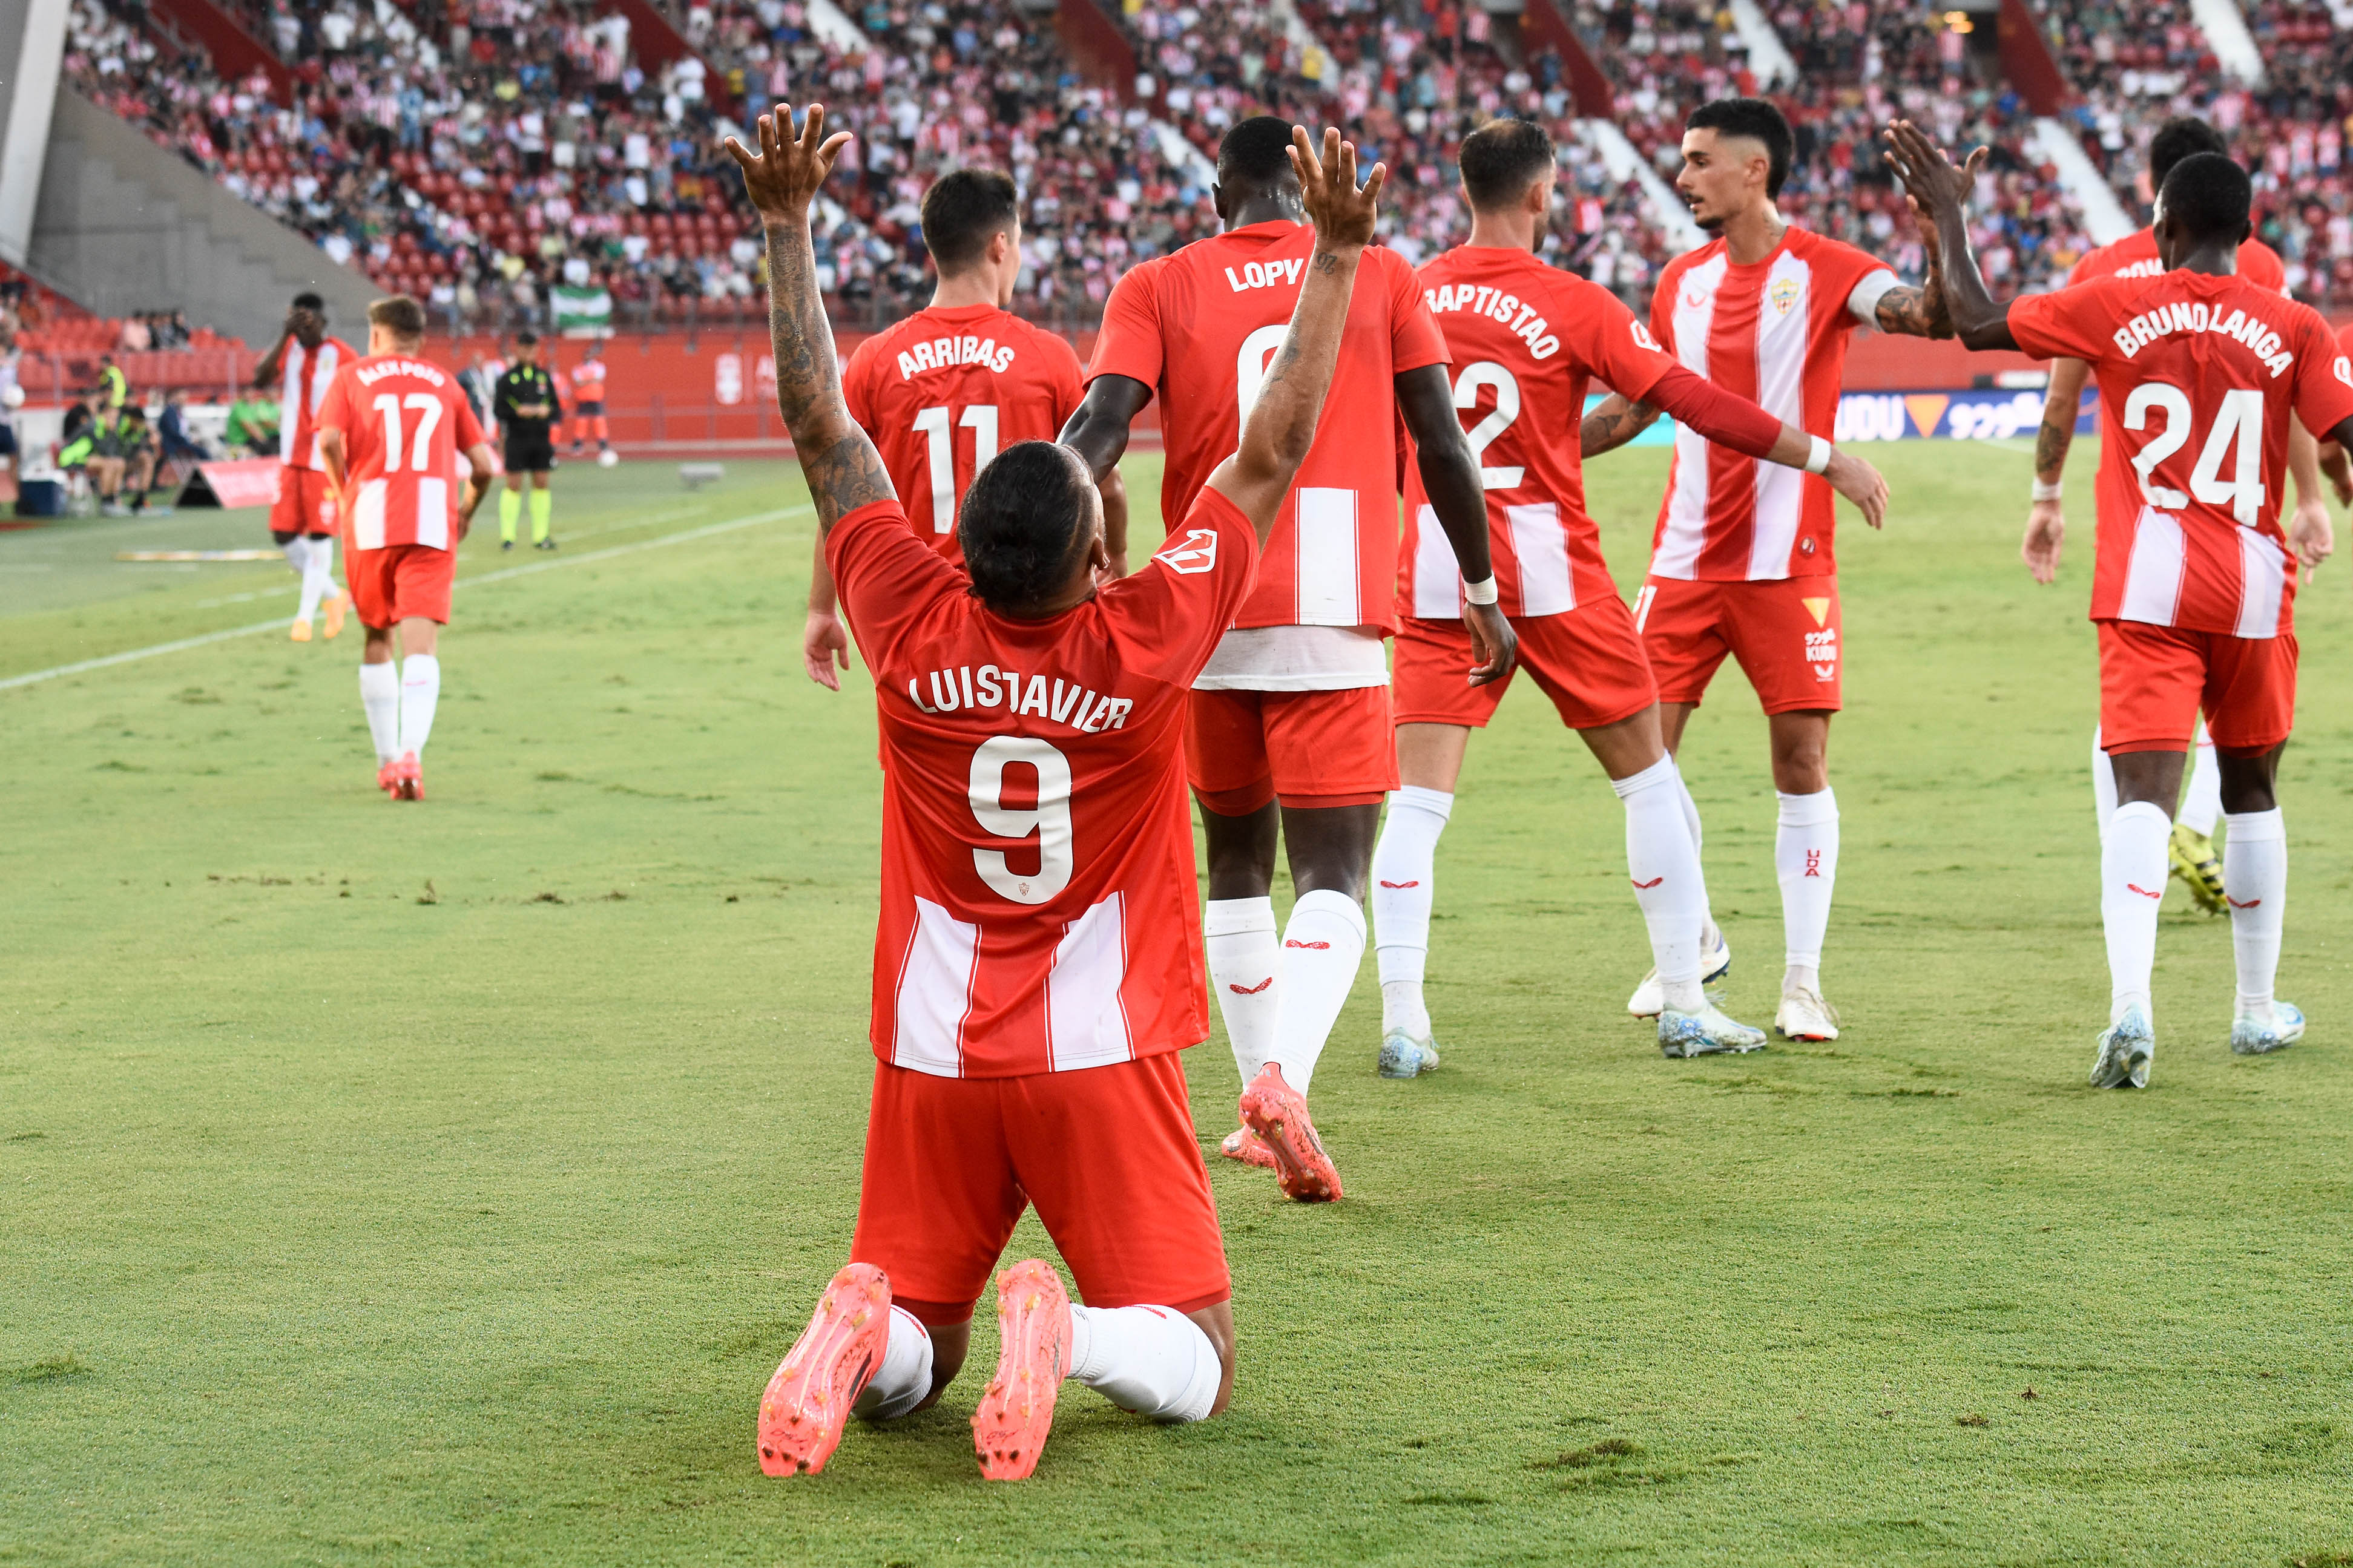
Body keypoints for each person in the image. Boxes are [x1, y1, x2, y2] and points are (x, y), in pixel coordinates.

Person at [730, 107, 1372, 1481]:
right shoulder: (1143, 640)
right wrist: (1336, 257)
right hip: (1101, 1053)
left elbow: (819, 424)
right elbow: (1270, 449)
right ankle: (1068, 1333)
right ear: (1096, 553)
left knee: (918, 1342)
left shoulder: (908, 617)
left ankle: (865, 1335)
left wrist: (786, 230)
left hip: (932, 1052)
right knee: (1199, 1357)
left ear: (952, 550)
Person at [1371, 119, 1892, 1064]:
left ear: (1462, 188)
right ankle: (1686, 1001)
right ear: (1539, 195)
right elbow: (1691, 404)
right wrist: (1826, 456)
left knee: (1415, 803)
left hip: (1442, 570)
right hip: (1555, 575)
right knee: (1646, 777)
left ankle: (1403, 1021)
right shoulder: (1575, 303)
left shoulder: (1403, 295)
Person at [1061, 114, 1516, 1192]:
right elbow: (1442, 441)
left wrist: (1054, 535)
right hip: (1336, 601)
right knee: (1332, 872)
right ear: (1305, 190)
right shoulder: (1381, 271)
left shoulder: (1155, 284)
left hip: (1202, 605)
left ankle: (1250, 1101)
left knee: (1231, 863)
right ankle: (1281, 1082)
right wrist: (1483, 590)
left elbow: (1098, 426)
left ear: (1219, 197)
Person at [1887, 124, 2353, 1086]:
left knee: (2142, 795)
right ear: (2247, 226)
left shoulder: (2113, 302)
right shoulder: (2295, 322)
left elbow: (1974, 324)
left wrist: (1950, 214)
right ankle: (2255, 1011)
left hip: (2146, 582)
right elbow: (2339, 430)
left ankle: (2130, 1005)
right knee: (2250, 788)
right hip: (2255, 586)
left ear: (2161, 225)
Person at [1580, 97, 1955, 1045]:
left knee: (1799, 761)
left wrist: (1938, 229)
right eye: (1681, 160)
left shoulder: (1829, 270)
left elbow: (1932, 317)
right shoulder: (1678, 283)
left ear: (1755, 170)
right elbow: (1632, 409)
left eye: (1699, 160)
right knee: (1642, 763)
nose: (1683, 176)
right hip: (1680, 561)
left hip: (1789, 566)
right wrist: (1509, 449)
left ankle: (1801, 981)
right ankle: (1693, 940)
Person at [2022, 116, 2335, 916]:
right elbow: (2290, 394)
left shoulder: (2099, 268)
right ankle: (2194, 829)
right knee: (2238, 728)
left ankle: (2125, 859)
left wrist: (2045, 496)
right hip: (2243, 534)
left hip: (2138, 523)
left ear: (2153, 197)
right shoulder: (2257, 263)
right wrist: (2306, 496)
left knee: (2130, 706)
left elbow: (2060, 395)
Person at [803, 167, 1118, 691]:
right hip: (1032, 612)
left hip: (919, 619)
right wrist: (1112, 562)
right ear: (1000, 245)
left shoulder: (875, 362)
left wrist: (820, 606)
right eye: (1018, 243)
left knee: (923, 767)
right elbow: (1098, 482)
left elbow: (839, 495)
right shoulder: (1047, 357)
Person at [314, 295, 496, 802]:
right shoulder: (446, 384)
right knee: (422, 643)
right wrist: (465, 512)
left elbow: (328, 440)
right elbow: (483, 467)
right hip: (432, 520)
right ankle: (413, 754)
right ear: (419, 339)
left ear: (376, 335)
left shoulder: (352, 377)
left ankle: (386, 760)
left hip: (369, 518)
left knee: (378, 637)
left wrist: (341, 489)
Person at [252, 292, 355, 642]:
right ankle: (334, 596)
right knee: (282, 534)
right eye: (298, 319)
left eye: (309, 319)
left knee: (319, 537)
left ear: (323, 321)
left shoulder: (341, 354)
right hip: (290, 459)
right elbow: (260, 380)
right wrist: (285, 335)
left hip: (323, 459)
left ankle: (304, 619)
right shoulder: (290, 350)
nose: (304, 325)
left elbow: (361, 396)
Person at [494, 333, 562, 550]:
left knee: (541, 483)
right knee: (513, 484)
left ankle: (541, 536)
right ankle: (508, 537)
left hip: (540, 439)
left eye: (533, 349)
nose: (529, 353)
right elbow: (499, 410)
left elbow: (557, 409)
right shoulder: (507, 379)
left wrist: (546, 411)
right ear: (517, 350)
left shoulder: (543, 378)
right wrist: (518, 413)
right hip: (517, 438)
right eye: (525, 349)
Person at [566, 343, 611, 456]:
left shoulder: (599, 366)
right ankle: (578, 445)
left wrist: (586, 381)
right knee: (581, 423)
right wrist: (591, 380)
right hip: (583, 400)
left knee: (599, 422)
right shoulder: (577, 368)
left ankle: (603, 445)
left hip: (596, 398)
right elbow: (579, 382)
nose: (588, 356)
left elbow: (598, 379)